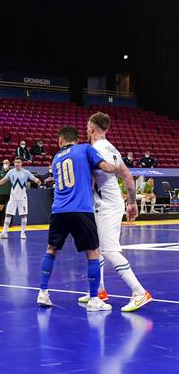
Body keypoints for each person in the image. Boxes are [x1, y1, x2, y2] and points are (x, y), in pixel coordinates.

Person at [36, 126, 121, 311]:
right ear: (76, 138)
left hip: (59, 210)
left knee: (51, 249)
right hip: (81, 209)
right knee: (92, 252)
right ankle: (93, 299)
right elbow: (105, 168)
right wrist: (119, 168)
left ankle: (43, 292)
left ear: (61, 141)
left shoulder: (56, 157)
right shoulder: (85, 149)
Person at [77, 112, 152, 312]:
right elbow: (127, 175)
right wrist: (131, 202)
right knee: (97, 247)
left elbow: (91, 181)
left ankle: (139, 292)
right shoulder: (112, 148)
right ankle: (99, 289)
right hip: (112, 203)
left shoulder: (94, 150)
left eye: (87, 127)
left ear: (91, 129)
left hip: (107, 206)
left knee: (110, 250)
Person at [0, 156, 41, 239]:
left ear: (21, 163)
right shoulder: (11, 172)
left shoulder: (26, 172)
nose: (17, 164)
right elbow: (4, 180)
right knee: (8, 214)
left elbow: (33, 178)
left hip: (22, 198)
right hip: (13, 197)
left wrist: (38, 181)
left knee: (23, 215)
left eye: (18, 162)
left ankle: (23, 233)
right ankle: (4, 233)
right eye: (15, 162)